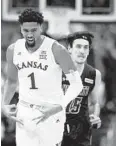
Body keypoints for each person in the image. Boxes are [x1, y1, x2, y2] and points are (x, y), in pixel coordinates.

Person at [1, 8, 83, 146]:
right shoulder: (13, 50)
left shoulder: (57, 49)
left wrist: (59, 106)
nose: (30, 34)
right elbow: (12, 81)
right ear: (21, 29)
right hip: (25, 112)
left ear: (41, 27)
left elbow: (77, 84)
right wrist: (4, 105)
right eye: (25, 31)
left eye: (34, 30)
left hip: (50, 112)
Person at [61, 31, 102, 146]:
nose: (82, 51)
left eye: (85, 47)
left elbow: (94, 103)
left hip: (82, 130)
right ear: (69, 49)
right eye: (78, 46)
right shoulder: (57, 71)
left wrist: (95, 116)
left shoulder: (94, 74)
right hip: (58, 126)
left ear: (89, 51)